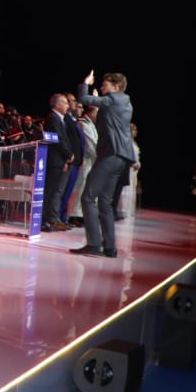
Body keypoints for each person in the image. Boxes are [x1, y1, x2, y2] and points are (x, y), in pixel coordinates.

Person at [72, 70, 134, 258]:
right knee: (105, 202)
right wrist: (100, 100)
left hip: (110, 155)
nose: (101, 86)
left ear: (116, 86)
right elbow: (108, 118)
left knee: (88, 197)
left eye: (105, 84)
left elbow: (83, 98)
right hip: (121, 157)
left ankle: (94, 244)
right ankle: (109, 247)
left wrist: (86, 82)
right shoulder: (125, 102)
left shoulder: (112, 99)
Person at [41, 93, 77, 232]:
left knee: (54, 192)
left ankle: (49, 220)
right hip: (54, 161)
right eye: (65, 103)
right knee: (49, 192)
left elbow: (64, 139)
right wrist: (68, 154)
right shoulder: (52, 117)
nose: (68, 106)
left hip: (60, 160)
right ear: (57, 104)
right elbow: (57, 139)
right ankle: (44, 221)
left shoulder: (60, 118)